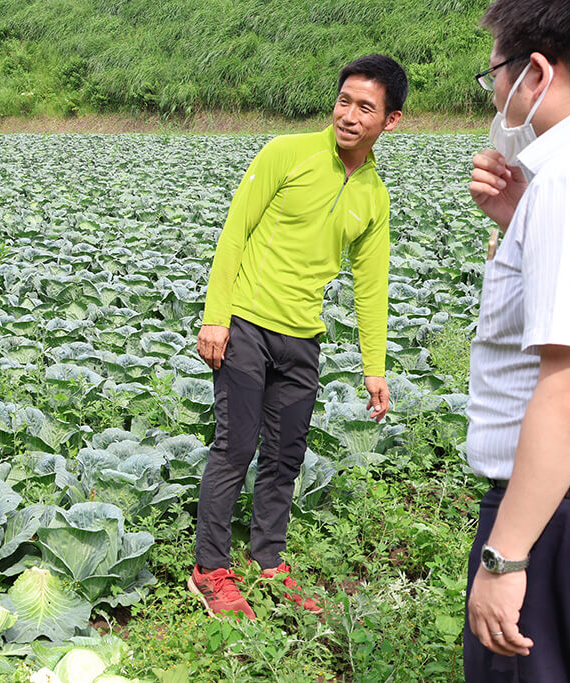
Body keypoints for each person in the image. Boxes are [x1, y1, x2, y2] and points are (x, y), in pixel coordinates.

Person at [188, 54, 406, 619]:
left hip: (302, 339)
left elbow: (371, 287)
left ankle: (267, 563)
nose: (350, 115)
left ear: (391, 121)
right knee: (235, 447)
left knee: (285, 456)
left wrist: (374, 368)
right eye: (344, 101)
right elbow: (235, 234)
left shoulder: (374, 198)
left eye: (366, 107)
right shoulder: (286, 153)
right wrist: (217, 316)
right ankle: (210, 569)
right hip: (247, 325)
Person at [462, 1, 570, 679]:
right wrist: (521, 221)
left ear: (536, 72)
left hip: (559, 515)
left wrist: (506, 555)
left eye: (494, 72)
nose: (494, 92)